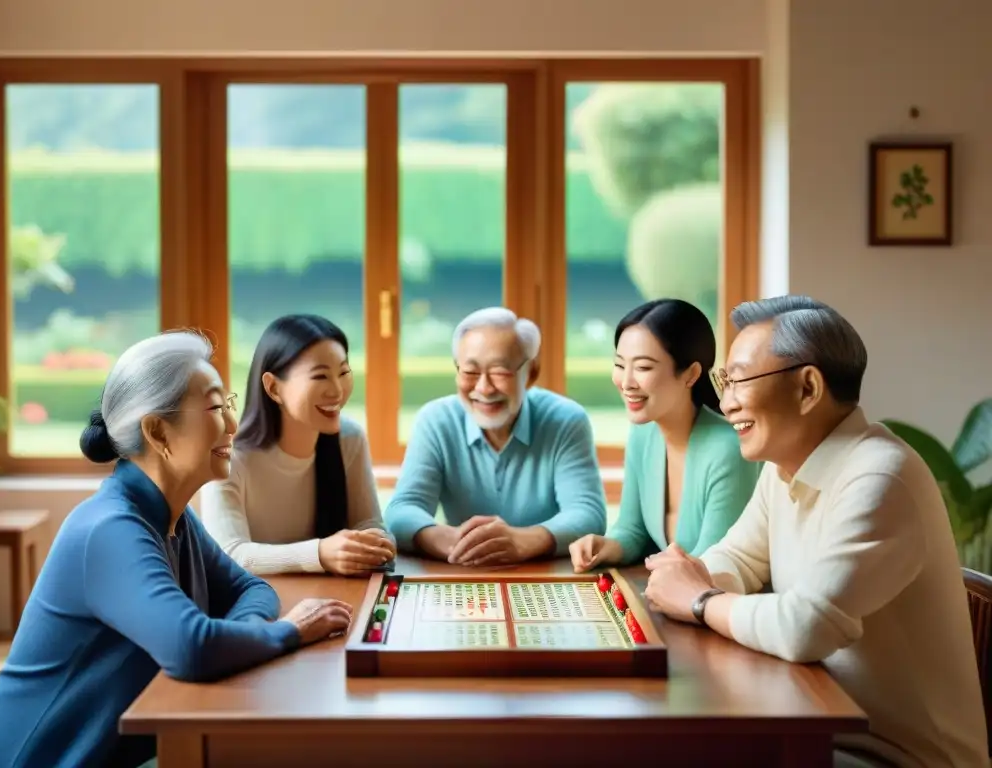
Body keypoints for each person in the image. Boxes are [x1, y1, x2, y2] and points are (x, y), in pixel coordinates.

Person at [0, 331, 354, 768]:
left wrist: (233, 637)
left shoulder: (173, 516)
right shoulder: (110, 529)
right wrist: (289, 631)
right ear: (156, 431)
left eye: (226, 404)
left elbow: (253, 590)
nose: (232, 424)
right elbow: (192, 648)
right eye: (214, 407)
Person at [643, 296, 988, 768]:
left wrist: (700, 600)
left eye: (739, 379)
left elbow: (806, 627)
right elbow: (739, 560)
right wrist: (692, 574)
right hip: (821, 723)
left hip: (898, 757)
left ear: (808, 388)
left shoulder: (880, 478)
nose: (725, 402)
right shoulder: (785, 467)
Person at [384, 307, 607, 567]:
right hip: (463, 570)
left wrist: (524, 541)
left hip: (545, 572)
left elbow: (588, 514)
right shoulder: (436, 419)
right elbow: (401, 511)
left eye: (500, 372)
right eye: (470, 372)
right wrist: (451, 540)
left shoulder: (566, 419)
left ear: (531, 372)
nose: (484, 388)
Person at [569, 299, 758, 572]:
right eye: (620, 365)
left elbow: (713, 564)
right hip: (673, 593)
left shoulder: (728, 449)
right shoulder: (643, 433)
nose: (627, 382)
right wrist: (608, 545)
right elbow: (632, 529)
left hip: (722, 601)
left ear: (691, 374)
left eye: (643, 368)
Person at [201, 315, 395, 576]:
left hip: (332, 599)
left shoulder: (350, 439)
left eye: (344, 372)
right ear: (273, 388)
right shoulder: (229, 457)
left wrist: (377, 542)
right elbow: (230, 554)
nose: (337, 390)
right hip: (254, 606)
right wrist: (320, 554)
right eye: (320, 376)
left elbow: (368, 522)